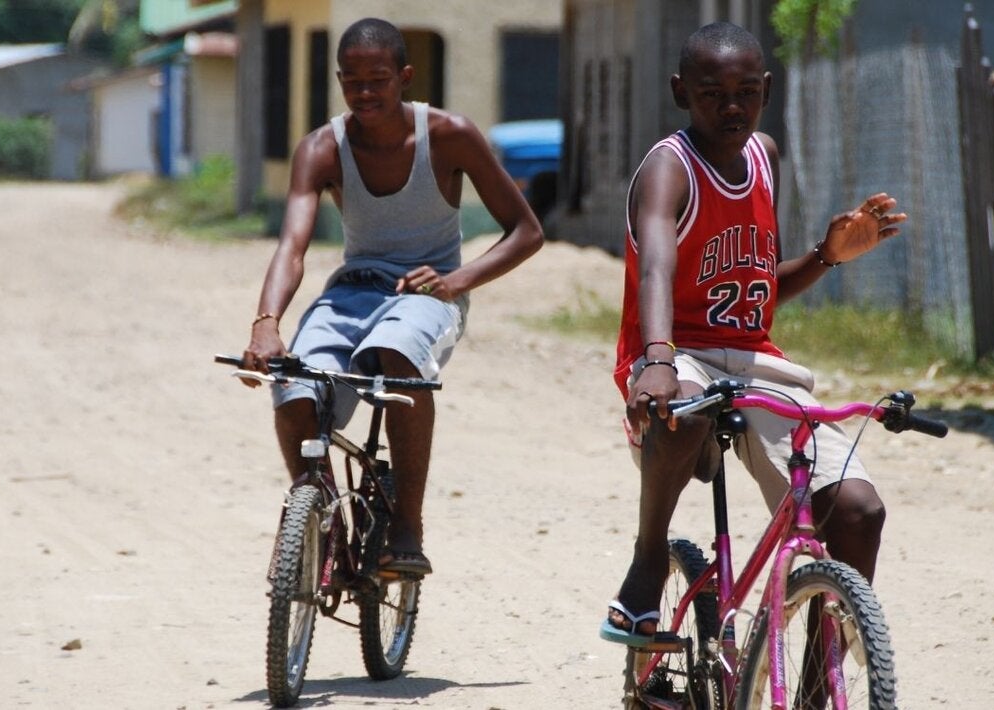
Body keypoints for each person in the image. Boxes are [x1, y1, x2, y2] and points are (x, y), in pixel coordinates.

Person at [599, 21, 908, 644]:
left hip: (754, 361)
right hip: (677, 355)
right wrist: (656, 357)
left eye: (746, 90)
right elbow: (657, 265)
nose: (731, 105)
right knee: (678, 411)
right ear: (681, 91)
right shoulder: (670, 168)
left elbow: (758, 289)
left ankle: (820, 682)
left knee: (857, 511)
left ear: (767, 89)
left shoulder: (762, 158)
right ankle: (649, 556)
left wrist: (826, 255)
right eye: (712, 92)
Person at [241, 17, 543, 577]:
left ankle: (407, 523)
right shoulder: (321, 148)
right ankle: (321, 515)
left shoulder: (448, 135)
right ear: (338, 81)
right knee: (294, 384)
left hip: (428, 295)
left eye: (377, 78)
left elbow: (527, 231)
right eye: (351, 81)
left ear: (404, 76)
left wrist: (458, 280)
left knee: (398, 355)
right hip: (352, 292)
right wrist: (266, 321)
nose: (364, 92)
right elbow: (293, 245)